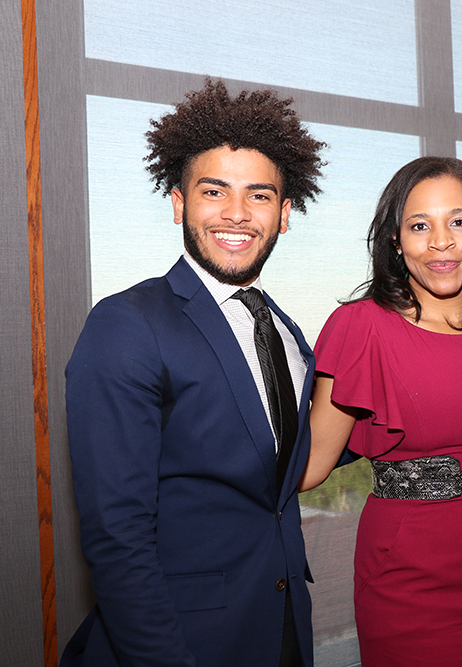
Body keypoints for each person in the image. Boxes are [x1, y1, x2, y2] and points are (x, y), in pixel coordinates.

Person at [62, 79, 326, 667]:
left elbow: (278, 473)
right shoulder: (127, 324)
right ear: (180, 203)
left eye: (259, 196)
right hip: (178, 643)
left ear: (284, 215)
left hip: (281, 629)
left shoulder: (284, 331)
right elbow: (117, 535)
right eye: (214, 191)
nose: (237, 214)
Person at [299, 156, 462, 667]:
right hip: (407, 581)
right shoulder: (360, 327)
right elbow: (310, 468)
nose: (442, 242)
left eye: (458, 222)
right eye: (420, 226)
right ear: (395, 240)